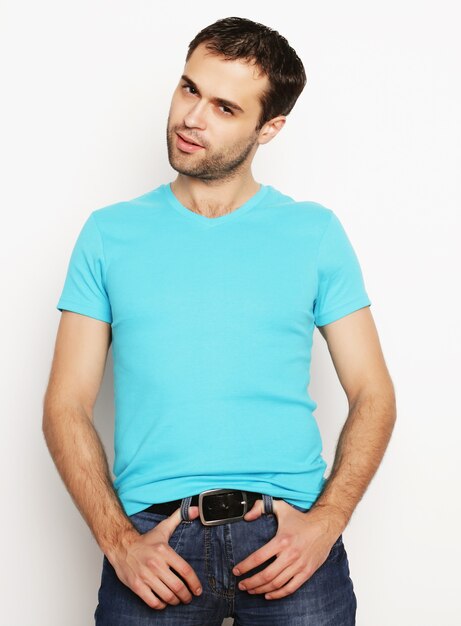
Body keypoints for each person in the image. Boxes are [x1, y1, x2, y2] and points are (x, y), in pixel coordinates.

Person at [42, 15, 396, 626]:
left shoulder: (314, 233)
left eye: (225, 107)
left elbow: (374, 394)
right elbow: (65, 405)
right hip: (156, 545)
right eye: (189, 89)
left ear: (270, 127)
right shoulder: (107, 234)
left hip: (289, 542)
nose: (191, 117)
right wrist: (119, 542)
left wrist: (326, 524)